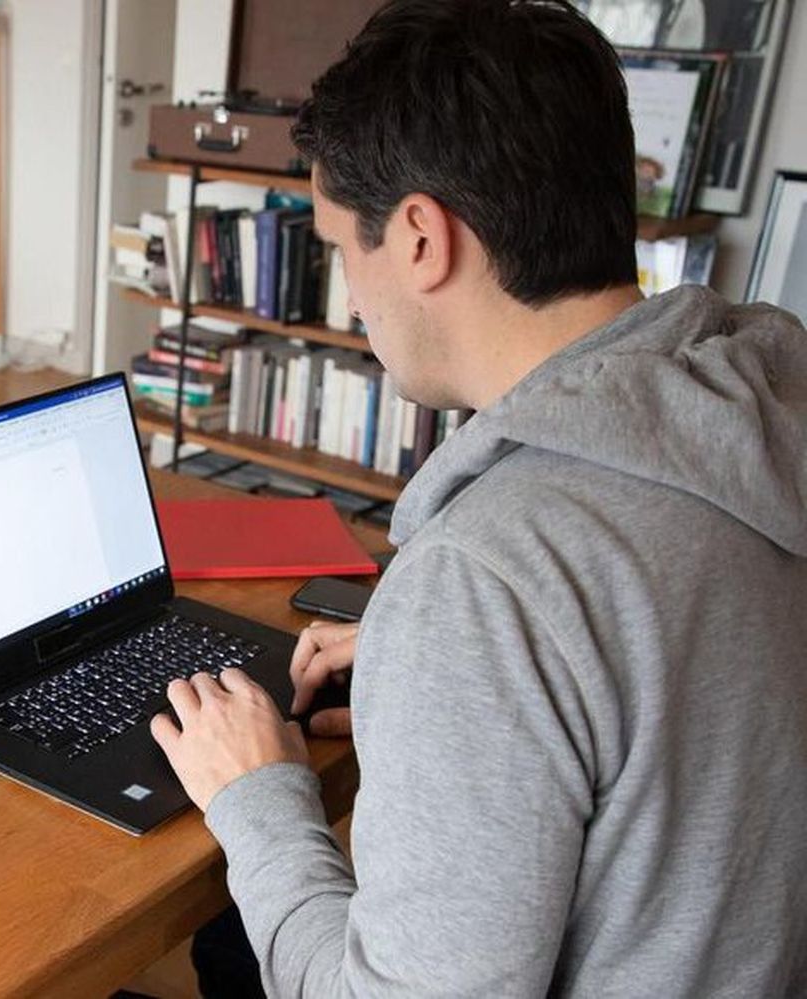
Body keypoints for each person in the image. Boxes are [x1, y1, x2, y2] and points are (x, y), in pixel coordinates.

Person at [149, 0, 807, 994]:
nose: (353, 299)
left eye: (342, 249)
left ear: (420, 237)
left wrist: (261, 796)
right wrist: (455, 667)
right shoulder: (763, 412)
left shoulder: (491, 577)